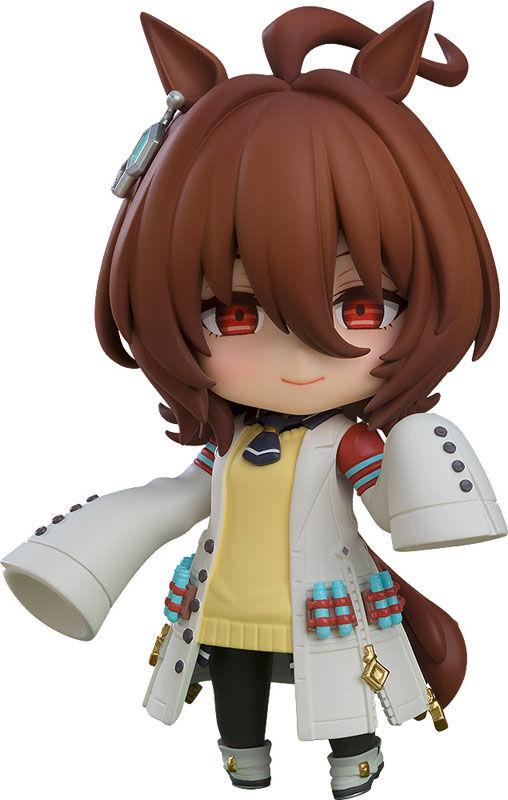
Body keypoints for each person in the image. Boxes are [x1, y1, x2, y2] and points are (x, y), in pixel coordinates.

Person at [3, 4, 506, 798]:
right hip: (229, 605)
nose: (302, 350)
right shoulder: (226, 449)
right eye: (233, 315)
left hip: (327, 607)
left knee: (344, 693)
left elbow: (394, 510)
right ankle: (245, 765)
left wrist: (428, 471)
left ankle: (354, 762)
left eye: (362, 306)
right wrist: (80, 552)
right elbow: (175, 499)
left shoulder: (348, 444)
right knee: (235, 697)